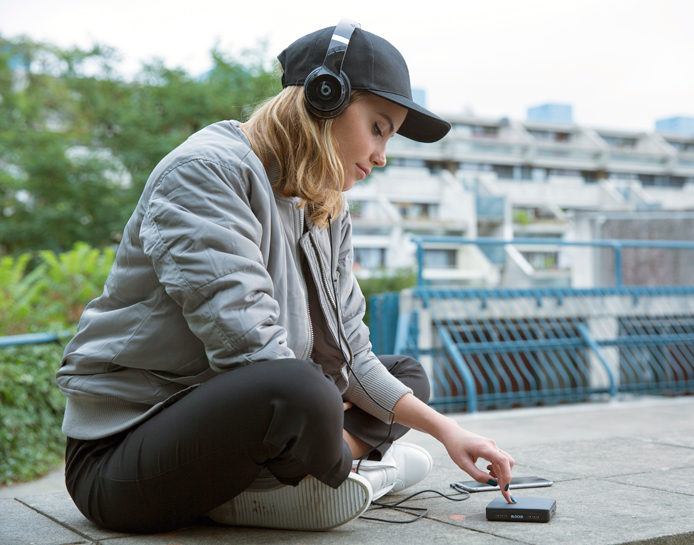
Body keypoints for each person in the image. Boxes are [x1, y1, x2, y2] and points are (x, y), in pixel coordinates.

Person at [56, 20, 515, 534]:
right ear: (325, 97)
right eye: (378, 128)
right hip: (122, 458)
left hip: (238, 427)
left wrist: (448, 432)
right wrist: (325, 405)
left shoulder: (325, 204)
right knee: (301, 389)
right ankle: (343, 473)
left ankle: (285, 485)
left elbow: (353, 355)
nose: (382, 156)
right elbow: (250, 352)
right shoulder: (205, 172)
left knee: (406, 377)